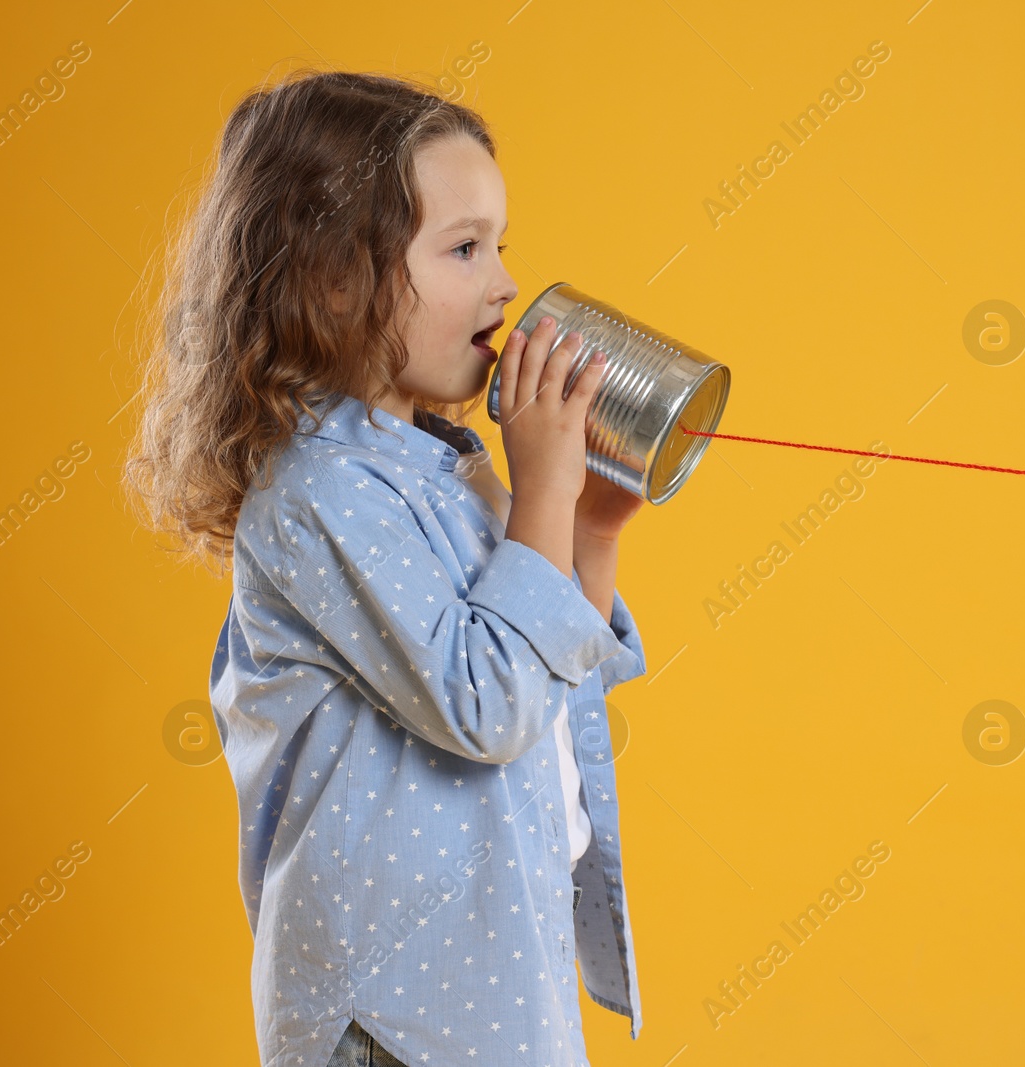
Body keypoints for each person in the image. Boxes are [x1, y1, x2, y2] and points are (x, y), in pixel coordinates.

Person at [122, 69, 650, 1067]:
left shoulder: (446, 471)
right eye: (462, 248)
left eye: (499, 244)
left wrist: (588, 530)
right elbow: (485, 703)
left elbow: (547, 680)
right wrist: (540, 490)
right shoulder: (320, 490)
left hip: (492, 984)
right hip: (397, 1012)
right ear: (331, 277)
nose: (502, 284)